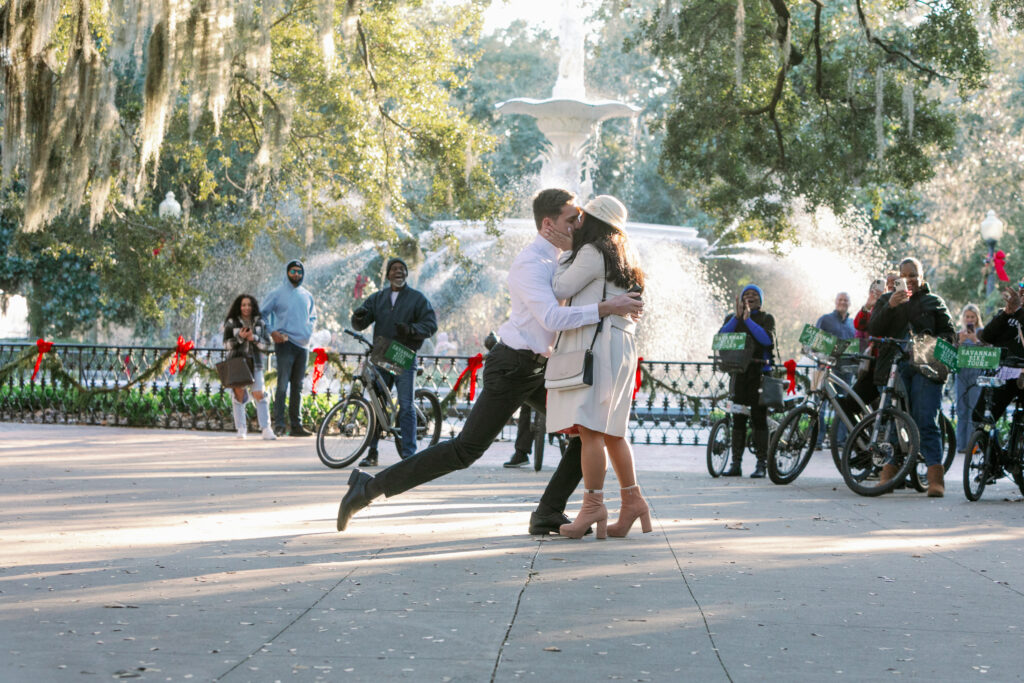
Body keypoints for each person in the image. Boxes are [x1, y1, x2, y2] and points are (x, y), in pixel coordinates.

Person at [335, 188, 644, 533]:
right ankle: (368, 487)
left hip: (538, 367)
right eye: (572, 220)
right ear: (548, 223)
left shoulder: (561, 259)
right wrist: (607, 308)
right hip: (512, 366)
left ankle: (548, 513)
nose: (579, 226)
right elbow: (552, 320)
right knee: (465, 450)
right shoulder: (531, 263)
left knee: (585, 432)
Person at [545, 195, 649, 539]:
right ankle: (632, 501)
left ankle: (592, 506)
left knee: (590, 429)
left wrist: (566, 253)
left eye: (581, 219)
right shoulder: (626, 254)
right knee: (613, 430)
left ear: (593, 221)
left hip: (598, 344)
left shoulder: (590, 252)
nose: (575, 224)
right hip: (621, 345)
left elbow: (561, 287)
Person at [869, 257, 955, 497]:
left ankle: (935, 479)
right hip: (895, 368)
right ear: (898, 277)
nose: (909, 280)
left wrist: (931, 344)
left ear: (922, 276)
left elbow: (949, 334)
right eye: (904, 275)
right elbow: (873, 330)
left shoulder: (934, 302)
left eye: (913, 275)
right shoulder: (888, 299)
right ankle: (889, 476)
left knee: (925, 418)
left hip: (927, 368)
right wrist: (890, 307)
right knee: (896, 421)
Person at [351, 257, 438, 466]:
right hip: (382, 355)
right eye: (394, 269)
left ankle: (409, 454)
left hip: (403, 355)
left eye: (402, 269)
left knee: (406, 405)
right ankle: (372, 453)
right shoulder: (377, 298)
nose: (398, 272)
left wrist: (411, 331)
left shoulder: (417, 299)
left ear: (406, 274)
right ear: (388, 274)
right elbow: (360, 322)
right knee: (376, 406)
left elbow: (431, 324)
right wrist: (358, 317)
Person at [719, 284, 776, 479]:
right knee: (738, 419)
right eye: (746, 294)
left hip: (759, 375)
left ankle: (761, 464)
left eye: (754, 295)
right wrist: (737, 318)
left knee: (759, 419)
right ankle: (736, 464)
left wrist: (748, 320)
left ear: (760, 300)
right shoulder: (732, 318)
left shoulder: (766, 318)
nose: (750, 297)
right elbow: (721, 337)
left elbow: (767, 340)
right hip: (739, 375)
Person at [261, 260, 317, 437]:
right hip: (284, 343)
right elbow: (261, 314)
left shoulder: (307, 295)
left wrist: (308, 332)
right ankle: (279, 424)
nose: (296, 275)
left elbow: (313, 317)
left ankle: (296, 425)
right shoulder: (277, 293)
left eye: (299, 272)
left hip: (303, 346)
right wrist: (272, 332)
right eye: (293, 271)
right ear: (287, 272)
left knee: (298, 387)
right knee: (282, 385)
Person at [971, 286, 1024, 444]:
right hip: (1003, 373)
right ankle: (992, 461)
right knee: (981, 418)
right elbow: (987, 336)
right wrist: (1007, 313)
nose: (1021, 292)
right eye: (1021, 288)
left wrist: (1019, 311)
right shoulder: (1008, 313)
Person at [222, 295, 276, 441]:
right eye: (243, 305)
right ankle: (241, 428)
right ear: (239, 306)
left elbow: (266, 345)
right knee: (239, 394)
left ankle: (266, 428)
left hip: (256, 363)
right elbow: (226, 345)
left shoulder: (260, 322)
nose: (246, 308)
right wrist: (239, 337)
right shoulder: (232, 323)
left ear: (253, 307)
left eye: (249, 305)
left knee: (259, 392)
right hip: (237, 362)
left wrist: (254, 338)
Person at [815, 292, 856, 448]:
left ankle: (840, 440)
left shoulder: (852, 324)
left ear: (849, 303)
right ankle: (817, 440)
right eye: (840, 299)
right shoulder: (825, 319)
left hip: (845, 370)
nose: (843, 302)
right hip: (825, 369)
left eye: (846, 300)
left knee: (844, 406)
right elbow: (815, 341)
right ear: (835, 301)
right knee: (820, 405)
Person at [955, 304, 985, 453]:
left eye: (972, 317)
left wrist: (975, 341)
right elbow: (953, 352)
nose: (970, 319)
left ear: (977, 318)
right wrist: (959, 341)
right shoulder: (959, 332)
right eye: (967, 317)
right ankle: (961, 445)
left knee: (974, 409)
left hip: (976, 374)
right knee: (961, 409)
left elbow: (988, 353)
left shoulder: (982, 333)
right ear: (963, 318)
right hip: (961, 374)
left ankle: (974, 445)